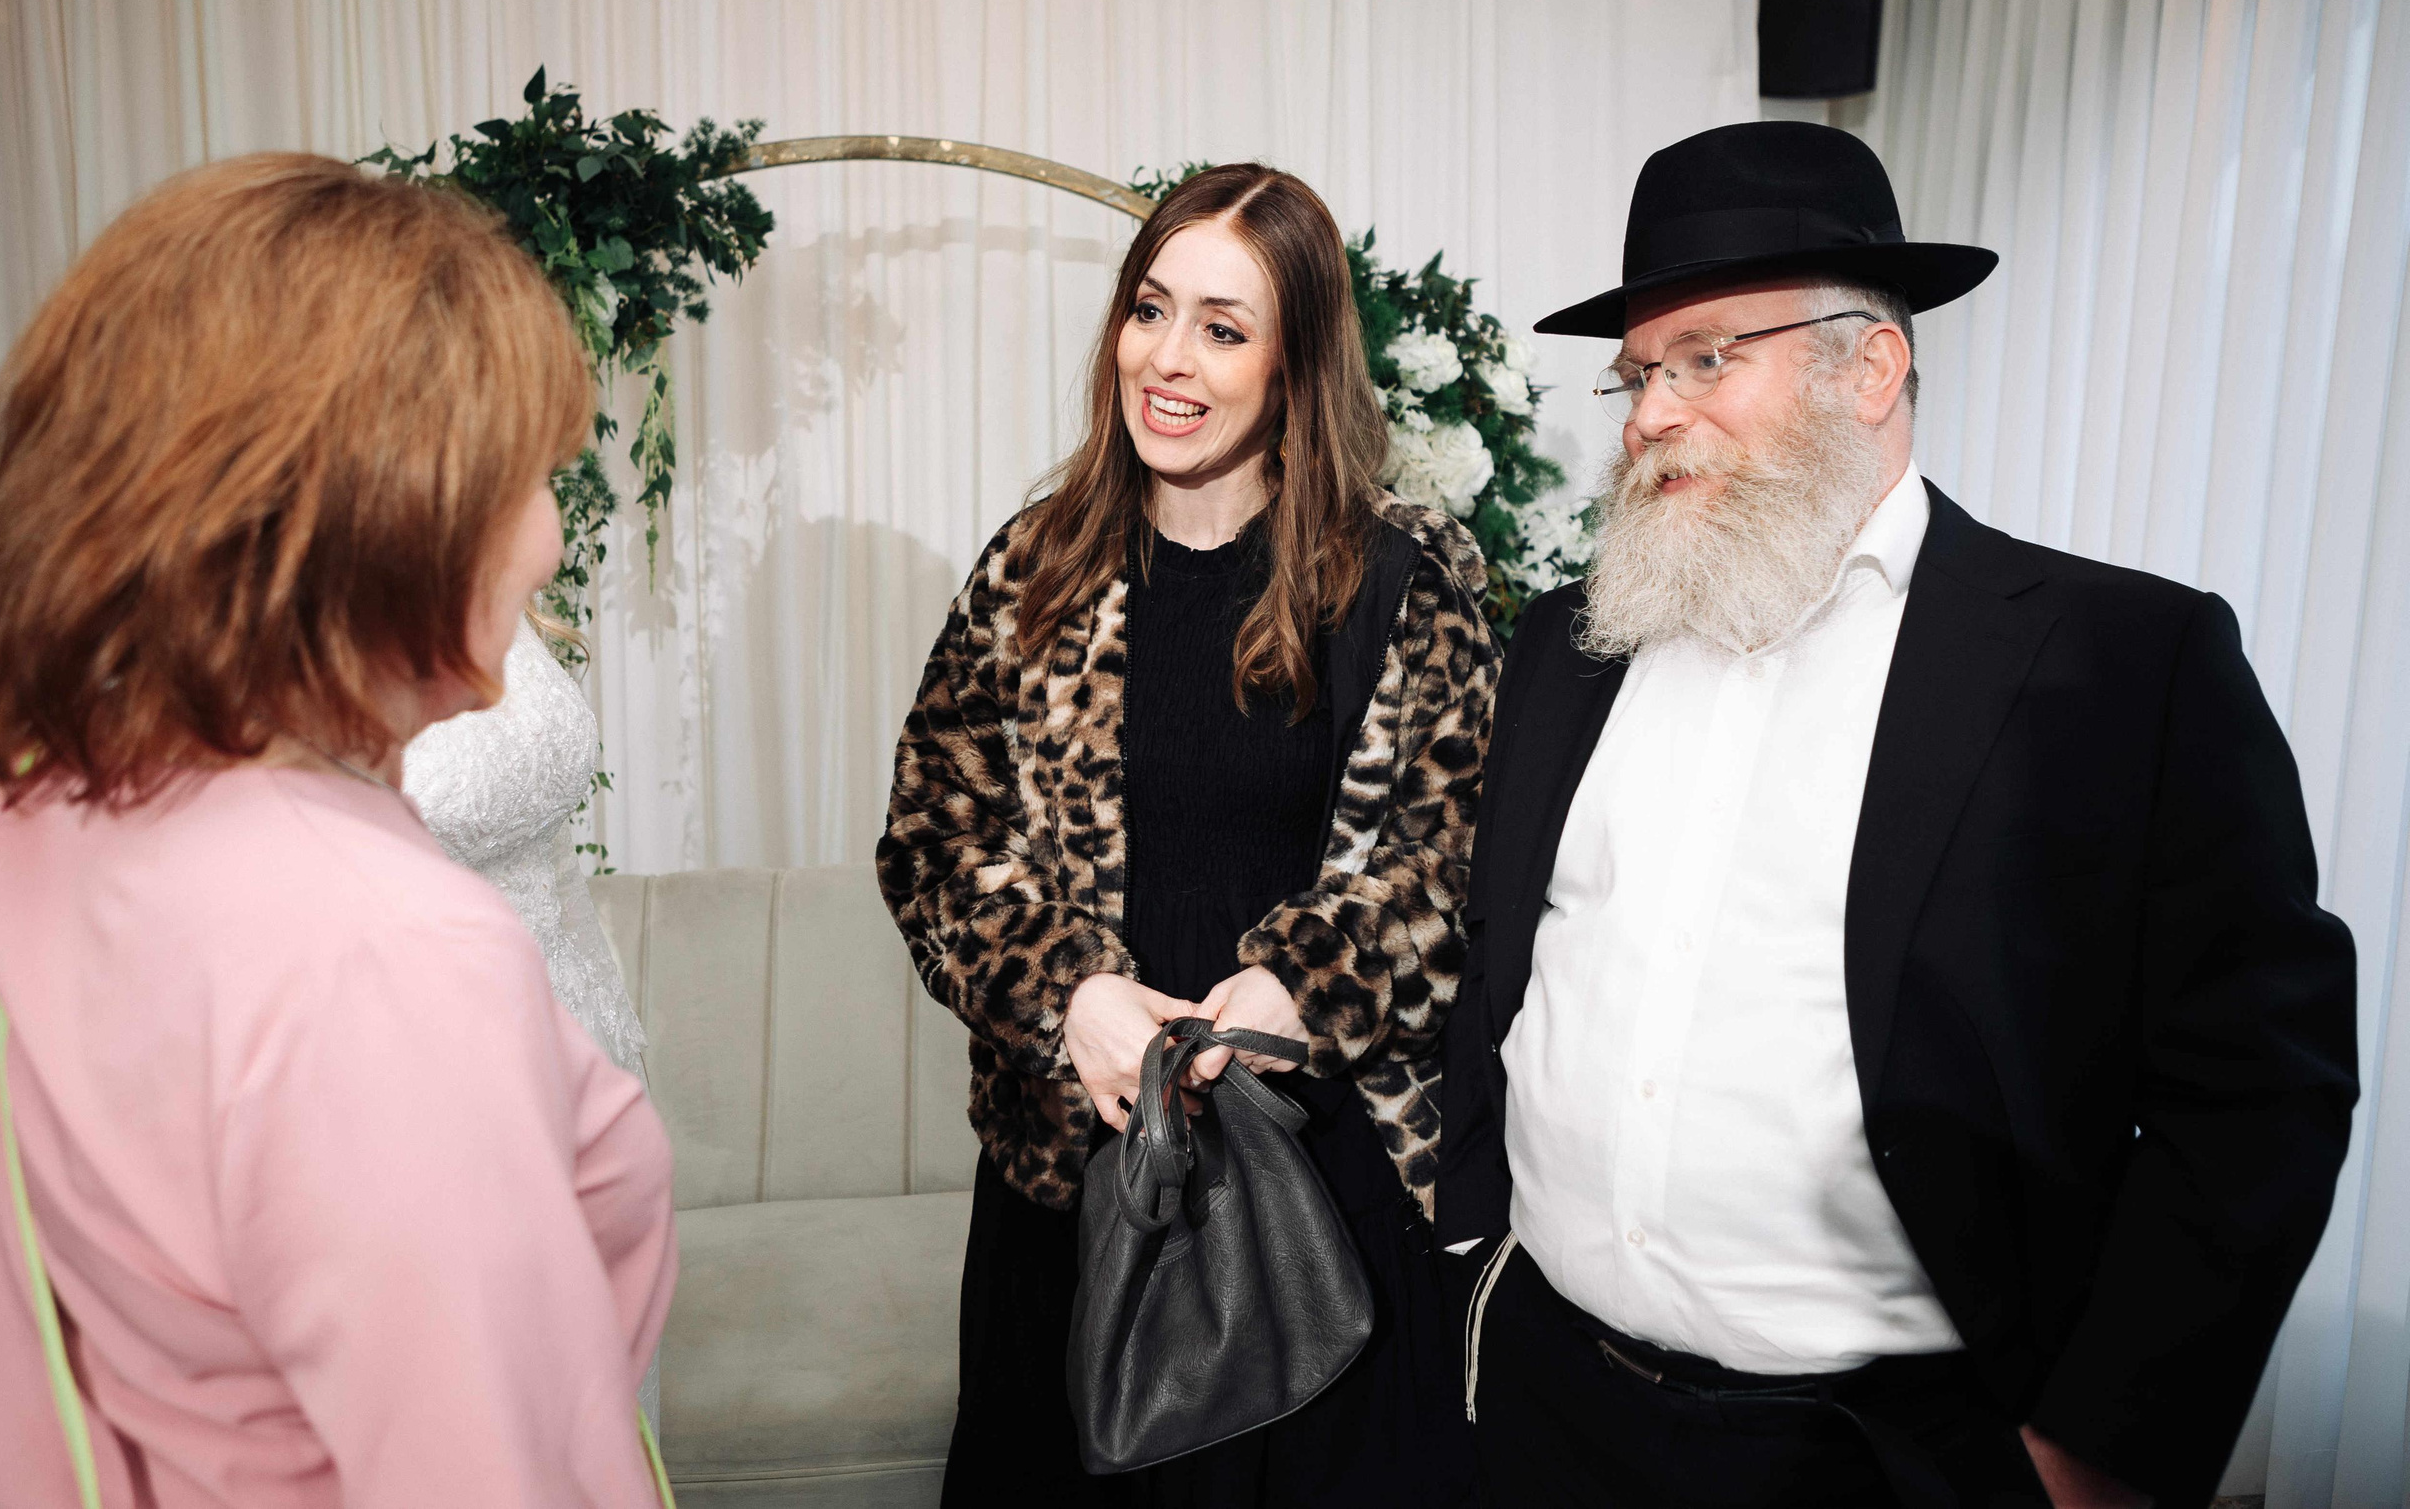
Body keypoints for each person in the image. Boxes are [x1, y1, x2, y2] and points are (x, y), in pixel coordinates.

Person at [1434, 120, 2358, 1509]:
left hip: (1884, 1452)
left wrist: (2100, 1444)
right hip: (1546, 1406)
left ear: (1866, 364)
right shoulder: (1569, 641)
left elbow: (2256, 1086)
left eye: (1704, 357)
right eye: (1637, 371)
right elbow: (1504, 949)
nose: (1647, 414)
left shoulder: (2119, 661)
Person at [0, 153, 676, 1507]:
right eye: (523, 482)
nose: (552, 541)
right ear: (372, 519)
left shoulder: (28, 806)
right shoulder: (381, 952)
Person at [877, 163, 1497, 1506]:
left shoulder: (1402, 572)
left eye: (1225, 325)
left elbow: (1454, 856)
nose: (1168, 358)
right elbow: (935, 837)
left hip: (1323, 1181)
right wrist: (1070, 995)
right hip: (1076, 1181)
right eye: (1149, 309)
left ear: (1299, 359)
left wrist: (1303, 980)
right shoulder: (1034, 568)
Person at [402, 612, 661, 1437]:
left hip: (583, 1035)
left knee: (605, 1410)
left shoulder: (484, 567)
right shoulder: (303, 591)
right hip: (435, 1068)